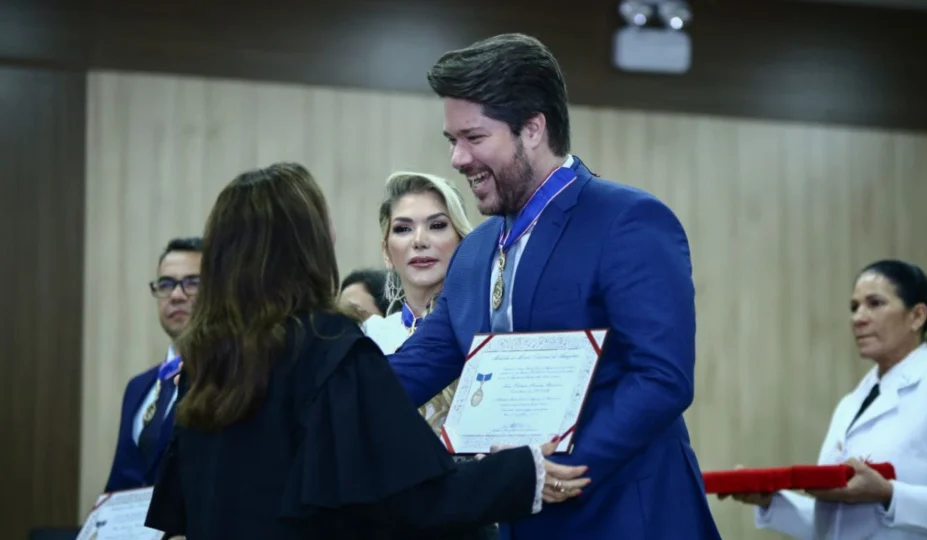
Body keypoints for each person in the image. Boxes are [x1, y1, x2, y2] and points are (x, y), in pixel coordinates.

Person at [386, 33, 721, 539]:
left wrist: (551, 471)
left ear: (533, 129)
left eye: (473, 138)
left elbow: (662, 377)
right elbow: (417, 365)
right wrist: (306, 391)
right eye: (451, 141)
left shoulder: (628, 221)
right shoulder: (474, 253)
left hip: (629, 517)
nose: (456, 159)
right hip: (523, 520)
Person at [144, 162, 590, 540]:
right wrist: (523, 472)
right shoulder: (326, 347)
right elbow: (414, 496)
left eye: (437, 225)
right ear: (308, 244)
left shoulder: (207, 361)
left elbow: (179, 514)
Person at [724, 259, 927, 539]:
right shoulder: (851, 404)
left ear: (917, 316)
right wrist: (769, 499)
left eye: (875, 303)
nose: (858, 317)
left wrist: (889, 494)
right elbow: (834, 524)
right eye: (854, 307)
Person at [363, 171, 474, 433]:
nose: (419, 241)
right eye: (403, 229)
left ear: (462, 239)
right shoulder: (367, 339)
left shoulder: (487, 327)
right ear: (386, 251)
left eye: (437, 226)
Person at [104, 237, 201, 493]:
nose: (177, 295)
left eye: (192, 283)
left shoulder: (224, 381)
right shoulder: (138, 388)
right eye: (166, 284)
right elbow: (121, 481)